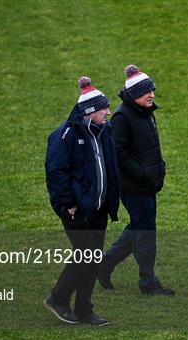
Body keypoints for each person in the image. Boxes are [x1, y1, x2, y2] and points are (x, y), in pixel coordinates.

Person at [44, 76, 119, 325]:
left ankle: (84, 310)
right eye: (103, 109)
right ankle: (58, 298)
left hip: (97, 208)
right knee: (87, 255)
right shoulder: (64, 135)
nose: (108, 112)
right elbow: (56, 172)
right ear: (89, 112)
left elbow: (110, 165)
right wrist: (67, 203)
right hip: (76, 209)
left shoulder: (103, 131)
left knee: (93, 259)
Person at [98, 65, 174, 296]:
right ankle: (148, 283)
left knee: (139, 227)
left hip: (145, 183)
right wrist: (142, 172)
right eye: (145, 92)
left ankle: (104, 265)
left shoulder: (144, 111)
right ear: (132, 95)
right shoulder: (122, 116)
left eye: (151, 90)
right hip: (134, 186)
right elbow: (116, 152)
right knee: (145, 231)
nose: (151, 94)